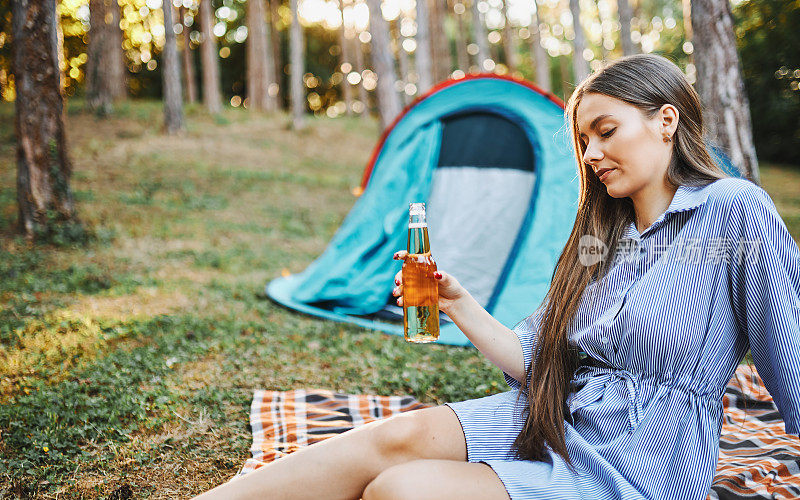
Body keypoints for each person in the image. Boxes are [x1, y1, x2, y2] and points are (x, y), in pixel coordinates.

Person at [194, 54, 800, 500]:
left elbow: (789, 352)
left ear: (666, 121)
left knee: (399, 491)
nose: (590, 155)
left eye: (606, 132)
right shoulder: (600, 236)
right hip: (555, 419)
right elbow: (535, 357)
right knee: (397, 437)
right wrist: (458, 303)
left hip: (641, 464)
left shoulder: (731, 211)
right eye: (583, 141)